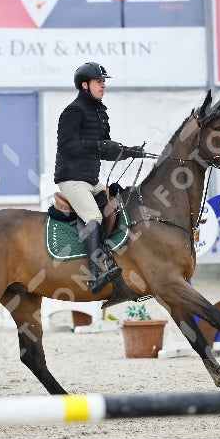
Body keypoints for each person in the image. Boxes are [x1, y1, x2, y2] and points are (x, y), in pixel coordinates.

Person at [54, 62, 145, 294]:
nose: (103, 85)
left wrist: (130, 152)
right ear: (85, 85)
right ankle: (95, 273)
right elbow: (67, 145)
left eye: (104, 81)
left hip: (91, 180)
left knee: (117, 205)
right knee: (94, 215)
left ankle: (110, 254)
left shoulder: (99, 112)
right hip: (72, 179)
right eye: (99, 81)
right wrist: (99, 144)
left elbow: (104, 150)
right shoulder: (73, 112)